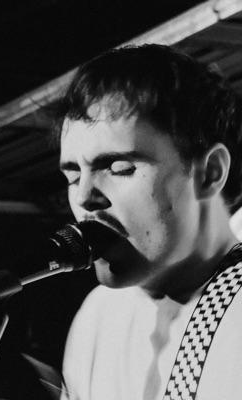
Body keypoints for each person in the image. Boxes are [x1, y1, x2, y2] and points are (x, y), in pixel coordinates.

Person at [53, 44, 242, 399]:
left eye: (118, 168)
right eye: (73, 177)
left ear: (210, 173)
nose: (84, 197)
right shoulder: (98, 318)